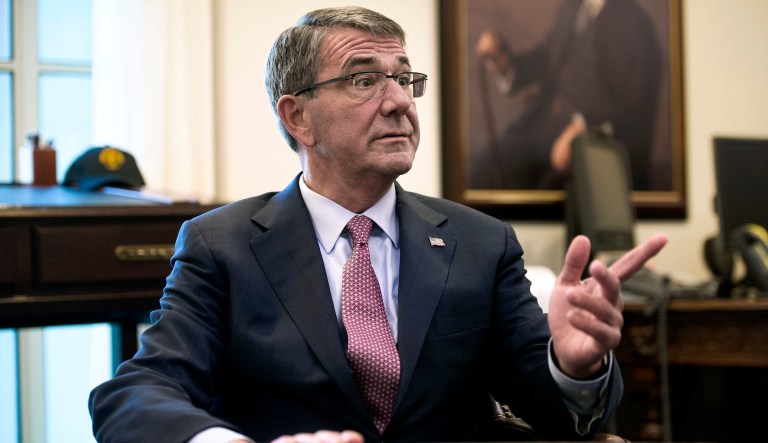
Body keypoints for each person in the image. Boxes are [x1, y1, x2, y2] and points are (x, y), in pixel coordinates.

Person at [88, 6, 667, 443]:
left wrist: (575, 365)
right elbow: (135, 394)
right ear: (298, 117)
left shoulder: (479, 243)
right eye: (365, 80)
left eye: (405, 79)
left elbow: (551, 407)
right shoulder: (223, 246)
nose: (399, 102)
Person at [471, 0, 663, 190]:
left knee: (541, 193)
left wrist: (583, 126)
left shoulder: (633, 22)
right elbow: (547, 58)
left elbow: (635, 105)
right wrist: (506, 64)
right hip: (547, 125)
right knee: (483, 168)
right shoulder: (573, 8)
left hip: (595, 143)